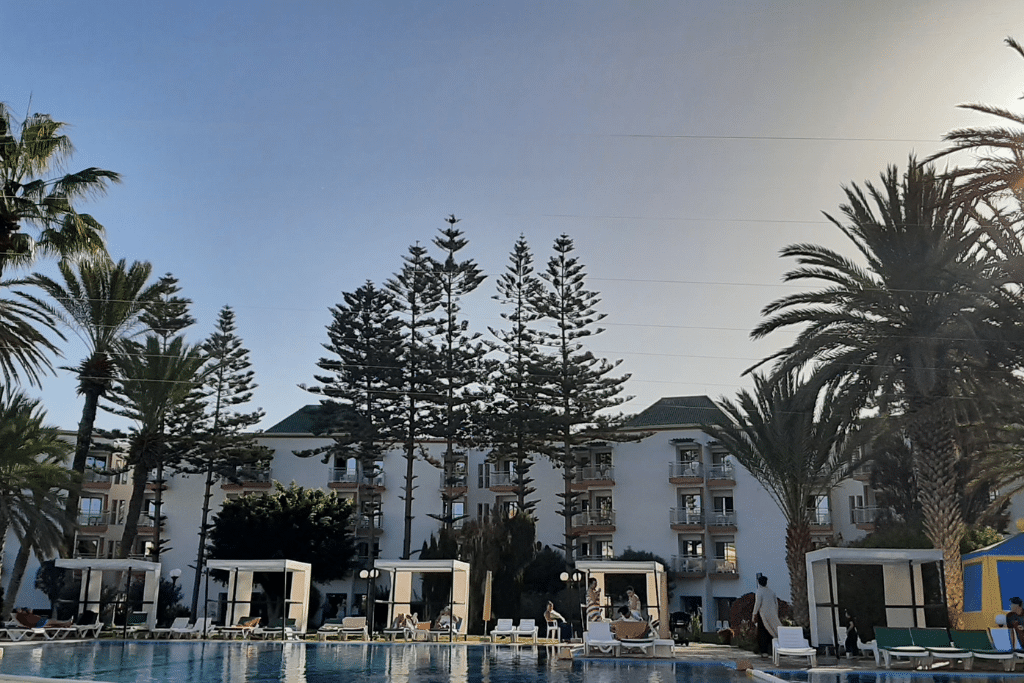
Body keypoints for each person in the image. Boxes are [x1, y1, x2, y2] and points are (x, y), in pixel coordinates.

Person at [752, 574, 782, 657]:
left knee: (763, 633)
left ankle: (764, 651)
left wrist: (754, 614)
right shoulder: (771, 592)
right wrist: (775, 613)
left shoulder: (759, 592)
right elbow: (776, 604)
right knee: (772, 632)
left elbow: (757, 604)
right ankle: (774, 650)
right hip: (773, 615)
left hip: (763, 616)